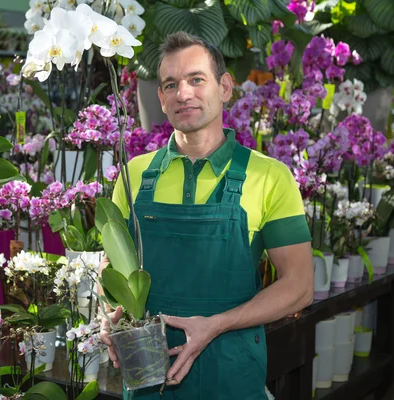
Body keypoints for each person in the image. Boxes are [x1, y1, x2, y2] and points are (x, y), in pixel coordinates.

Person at [98, 31, 314, 399]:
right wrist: (110, 314)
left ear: (225, 87)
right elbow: (112, 265)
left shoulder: (269, 177)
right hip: (150, 370)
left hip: (230, 367)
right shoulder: (135, 175)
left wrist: (217, 324)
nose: (183, 93)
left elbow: (300, 286)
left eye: (196, 79)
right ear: (162, 100)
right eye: (171, 85)